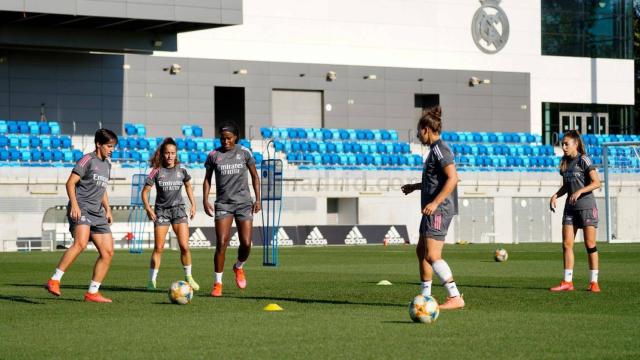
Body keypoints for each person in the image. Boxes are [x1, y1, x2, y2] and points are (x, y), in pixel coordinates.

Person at [401, 106, 464, 310]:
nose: (418, 135)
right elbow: (436, 180)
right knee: (422, 252)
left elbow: (453, 178)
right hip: (432, 210)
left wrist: (435, 202)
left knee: (432, 255)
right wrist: (415, 187)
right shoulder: (434, 151)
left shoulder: (440, 149)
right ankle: (425, 296)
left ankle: (455, 296)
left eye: (419, 130)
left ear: (426, 129)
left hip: (438, 210)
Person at [45, 129, 118, 303]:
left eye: (113, 146)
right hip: (82, 207)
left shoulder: (107, 164)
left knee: (108, 252)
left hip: (98, 212)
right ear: (99, 144)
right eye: (109, 146)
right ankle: (54, 280)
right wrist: (75, 205)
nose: (112, 149)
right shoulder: (87, 160)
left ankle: (92, 293)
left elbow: (102, 189)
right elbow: (70, 183)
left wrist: (107, 209)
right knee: (81, 243)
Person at [203, 123, 261, 297]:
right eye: (222, 138)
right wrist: (205, 200)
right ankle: (217, 283)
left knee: (246, 243)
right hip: (223, 204)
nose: (225, 141)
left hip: (244, 203)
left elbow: (254, 176)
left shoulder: (244, 152)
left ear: (236, 137)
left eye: (229, 138)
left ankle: (238, 267)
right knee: (221, 242)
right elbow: (207, 180)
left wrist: (258, 199)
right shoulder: (213, 155)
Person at [141, 137, 199, 291]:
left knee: (184, 246)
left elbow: (188, 186)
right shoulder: (156, 171)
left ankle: (189, 277)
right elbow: (145, 192)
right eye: (167, 153)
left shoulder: (182, 170)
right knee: (159, 248)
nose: (170, 156)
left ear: (176, 154)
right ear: (162, 154)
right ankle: (151, 281)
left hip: (179, 210)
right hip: (161, 212)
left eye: (172, 153)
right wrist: (148, 208)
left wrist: (193, 204)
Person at [549, 130, 601, 292]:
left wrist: (580, 191)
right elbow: (567, 185)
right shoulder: (564, 163)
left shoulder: (584, 160)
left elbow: (597, 183)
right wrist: (556, 195)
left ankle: (594, 282)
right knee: (566, 244)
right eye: (562, 144)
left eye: (566, 143)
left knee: (590, 244)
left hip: (586, 206)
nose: (563, 147)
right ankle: (567, 282)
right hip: (570, 208)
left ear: (576, 144)